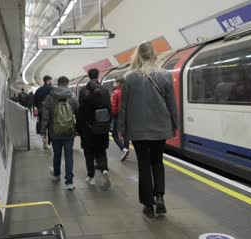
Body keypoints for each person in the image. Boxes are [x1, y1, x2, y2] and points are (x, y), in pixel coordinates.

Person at [117, 42, 179, 218]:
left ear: (137, 56)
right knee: (157, 162)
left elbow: (124, 107)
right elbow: (172, 105)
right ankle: (159, 198)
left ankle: (148, 205)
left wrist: (121, 127)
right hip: (160, 128)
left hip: (138, 130)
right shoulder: (165, 76)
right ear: (154, 55)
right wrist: (175, 124)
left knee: (143, 165)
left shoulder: (129, 78)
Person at [40, 76, 79, 190]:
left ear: (57, 84)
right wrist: (78, 129)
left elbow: (45, 117)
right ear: (67, 84)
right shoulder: (72, 97)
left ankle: (56, 175)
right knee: (69, 156)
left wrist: (43, 132)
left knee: (57, 154)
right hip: (69, 131)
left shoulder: (49, 97)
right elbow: (78, 112)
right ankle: (69, 182)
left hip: (54, 131)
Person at [76, 68, 112, 190]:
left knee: (89, 153)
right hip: (102, 126)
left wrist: (79, 128)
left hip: (88, 128)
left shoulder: (83, 91)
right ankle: (105, 170)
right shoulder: (105, 90)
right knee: (101, 151)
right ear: (98, 75)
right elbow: (109, 108)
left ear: (88, 76)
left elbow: (80, 111)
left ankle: (91, 177)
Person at [111, 77, 130, 161]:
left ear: (120, 83)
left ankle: (124, 149)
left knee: (114, 135)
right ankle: (126, 151)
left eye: (116, 82)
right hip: (126, 116)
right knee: (125, 134)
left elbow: (113, 107)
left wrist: (112, 114)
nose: (115, 83)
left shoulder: (115, 92)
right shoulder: (127, 92)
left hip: (117, 116)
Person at [34, 75, 53, 150]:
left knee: (43, 127)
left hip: (41, 110)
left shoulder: (38, 90)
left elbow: (35, 102)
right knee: (50, 127)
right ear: (48, 81)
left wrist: (39, 107)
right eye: (50, 81)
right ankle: (50, 143)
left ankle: (44, 143)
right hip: (50, 111)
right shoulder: (52, 89)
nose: (51, 82)